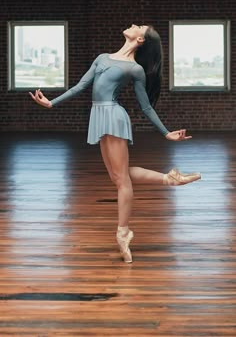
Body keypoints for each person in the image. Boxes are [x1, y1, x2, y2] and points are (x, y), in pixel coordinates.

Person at [29, 24, 201, 263]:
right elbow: (81, 86)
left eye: (139, 26)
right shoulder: (102, 58)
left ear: (140, 39)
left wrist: (165, 133)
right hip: (98, 115)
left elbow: (146, 106)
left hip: (113, 116)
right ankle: (170, 178)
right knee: (118, 177)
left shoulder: (135, 69)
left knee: (121, 181)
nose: (133, 25)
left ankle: (123, 232)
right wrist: (51, 103)